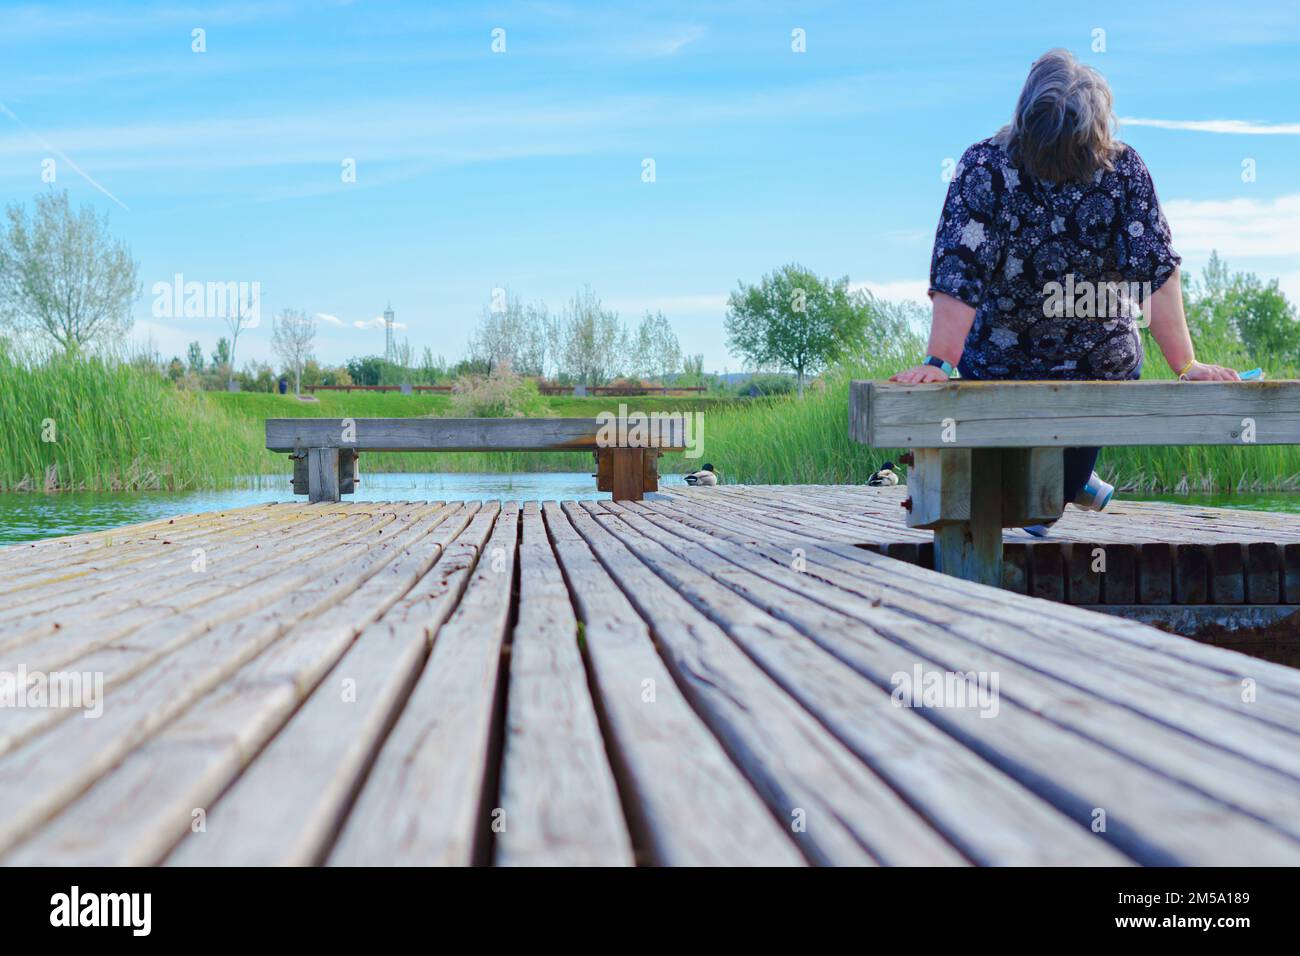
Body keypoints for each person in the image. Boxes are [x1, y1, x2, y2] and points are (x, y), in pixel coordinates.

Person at [891, 49, 1237, 528]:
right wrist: (938, 362)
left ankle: (1071, 484)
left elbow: (1155, 271)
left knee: (1036, 505)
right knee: (1018, 501)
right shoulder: (987, 168)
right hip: (1006, 362)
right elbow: (960, 270)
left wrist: (1188, 365)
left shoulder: (1115, 170)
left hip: (1092, 363)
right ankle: (1072, 485)